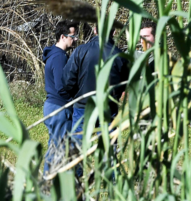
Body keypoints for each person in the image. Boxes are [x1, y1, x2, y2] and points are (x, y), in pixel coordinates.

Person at [61, 24, 130, 148]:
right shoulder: (120, 55)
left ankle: (77, 167)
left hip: (83, 105)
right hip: (108, 106)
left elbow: (67, 79)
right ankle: (108, 166)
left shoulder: (81, 50)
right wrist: (115, 96)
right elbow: (125, 82)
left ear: (94, 30)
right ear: (113, 32)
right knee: (108, 145)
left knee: (77, 145)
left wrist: (75, 95)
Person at [42, 20, 78, 175]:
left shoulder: (56, 55)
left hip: (52, 106)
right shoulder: (59, 57)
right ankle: (48, 182)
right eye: (73, 36)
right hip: (58, 108)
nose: (75, 39)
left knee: (55, 146)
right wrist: (73, 101)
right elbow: (61, 87)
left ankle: (48, 181)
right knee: (60, 149)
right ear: (63, 37)